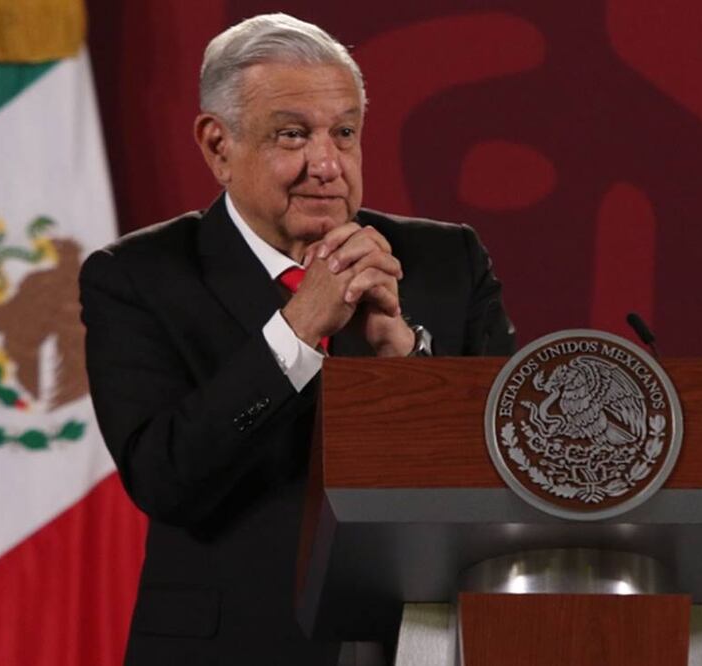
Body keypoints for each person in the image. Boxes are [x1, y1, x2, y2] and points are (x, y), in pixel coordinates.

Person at [79, 13, 515, 666]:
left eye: (344, 133)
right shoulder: (138, 277)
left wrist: (405, 360)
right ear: (217, 146)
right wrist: (296, 332)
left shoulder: (445, 260)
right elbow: (166, 478)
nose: (327, 164)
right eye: (293, 135)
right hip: (231, 648)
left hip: (421, 645)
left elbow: (513, 467)